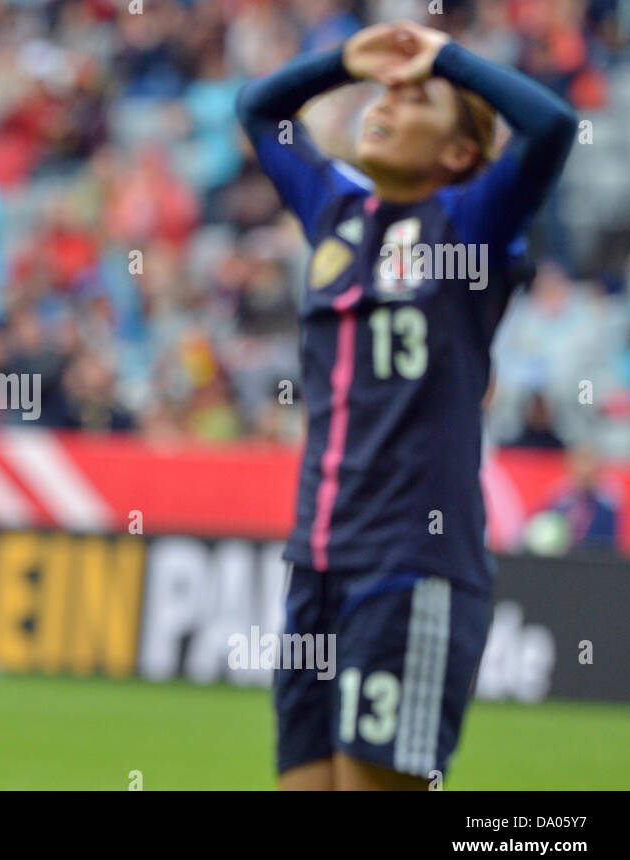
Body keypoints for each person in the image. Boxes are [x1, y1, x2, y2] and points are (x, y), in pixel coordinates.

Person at [235, 21, 576, 790]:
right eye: (381, 95)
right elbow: (260, 109)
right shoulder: (334, 214)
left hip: (409, 562)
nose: (383, 105)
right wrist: (346, 61)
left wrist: (445, 58)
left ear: (458, 155)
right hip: (315, 563)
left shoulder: (469, 229)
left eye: (416, 100)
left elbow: (551, 126)